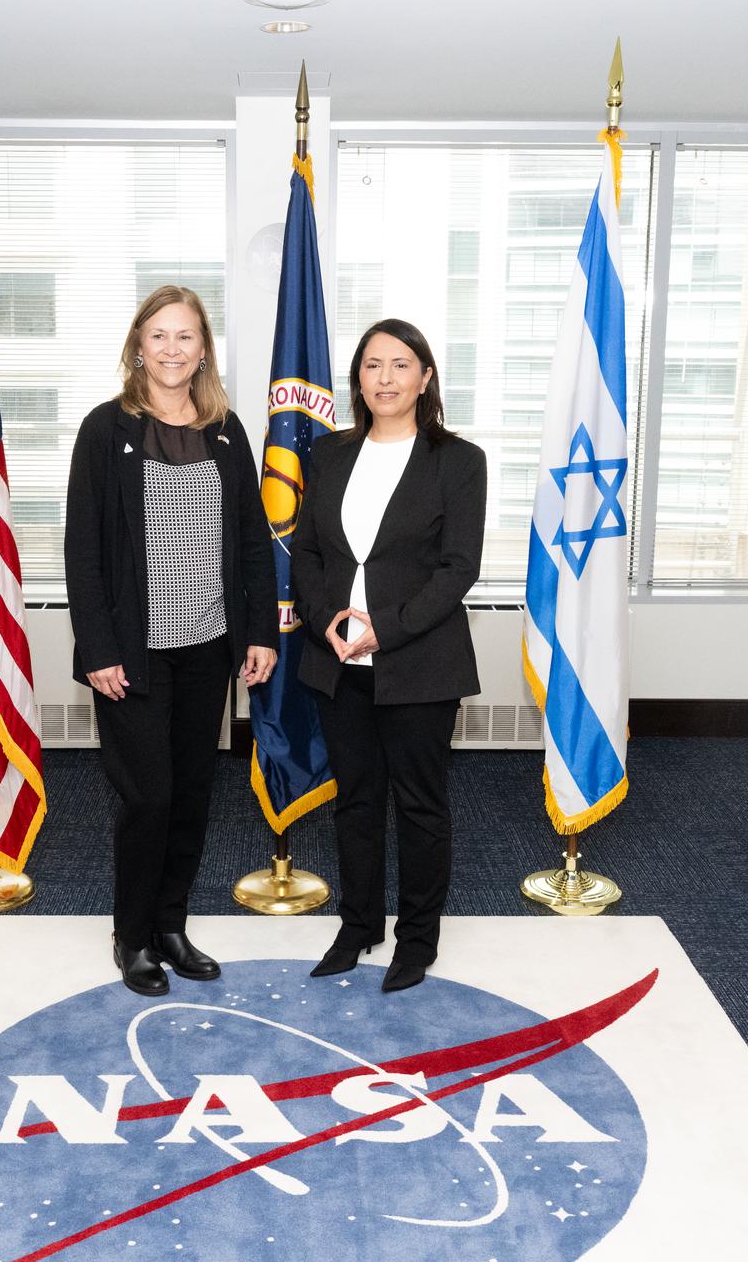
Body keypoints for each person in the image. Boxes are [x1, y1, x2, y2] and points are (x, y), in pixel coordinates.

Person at [65, 285, 278, 997]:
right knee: (147, 797)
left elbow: (252, 541)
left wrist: (258, 633)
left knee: (191, 795)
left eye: (185, 336)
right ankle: (132, 937)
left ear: (204, 350)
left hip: (209, 646)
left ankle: (172, 926)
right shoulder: (105, 431)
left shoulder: (226, 430)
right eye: (158, 335)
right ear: (137, 345)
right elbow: (83, 551)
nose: (171, 349)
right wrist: (97, 648)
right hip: (132, 653)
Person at [291, 318, 486, 992]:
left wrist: (389, 628)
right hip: (339, 660)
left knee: (420, 806)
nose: (385, 378)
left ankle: (418, 938)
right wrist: (327, 621)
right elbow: (309, 555)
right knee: (355, 800)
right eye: (373, 366)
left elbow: (460, 567)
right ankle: (359, 924)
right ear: (358, 380)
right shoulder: (331, 455)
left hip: (421, 662)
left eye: (401, 365)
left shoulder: (459, 461)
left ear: (425, 377)